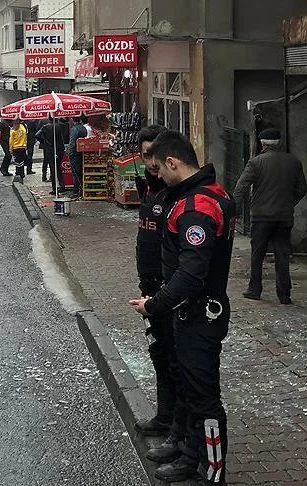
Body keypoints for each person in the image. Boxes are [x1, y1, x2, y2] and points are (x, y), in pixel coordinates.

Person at [129, 130, 234, 484]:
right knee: (188, 387)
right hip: (189, 311)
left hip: (200, 312)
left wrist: (154, 305)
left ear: (173, 162)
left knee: (204, 398)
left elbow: (191, 272)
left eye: (160, 167)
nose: (157, 175)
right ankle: (190, 454)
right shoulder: (195, 195)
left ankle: (212, 471)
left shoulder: (198, 206)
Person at [131, 125, 185, 445]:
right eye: (147, 155)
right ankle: (166, 417)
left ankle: (178, 429)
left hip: (170, 289)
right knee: (159, 354)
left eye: (157, 155)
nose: (152, 162)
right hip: (149, 287)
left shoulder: (175, 193)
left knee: (174, 358)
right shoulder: (149, 189)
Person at [232, 128, 307, 305]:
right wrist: (289, 203)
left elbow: (241, 188)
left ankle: (255, 289)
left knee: (257, 254)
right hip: (284, 216)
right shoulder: (293, 162)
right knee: (282, 254)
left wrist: (233, 209)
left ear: (262, 143)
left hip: (261, 216)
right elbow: (302, 189)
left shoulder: (256, 163)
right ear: (279, 143)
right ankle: (284, 294)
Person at [35, 117, 69, 195]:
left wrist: (44, 141)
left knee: (53, 169)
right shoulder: (60, 126)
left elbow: (37, 135)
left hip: (50, 150)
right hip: (60, 149)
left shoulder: (45, 127)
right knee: (58, 169)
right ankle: (62, 186)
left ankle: (54, 188)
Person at [67, 115, 90, 199]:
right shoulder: (83, 128)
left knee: (75, 173)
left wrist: (69, 152)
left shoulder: (74, 129)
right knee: (81, 172)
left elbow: (72, 142)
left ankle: (76, 191)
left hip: (75, 153)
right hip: (82, 152)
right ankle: (82, 189)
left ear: (72, 120)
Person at [9, 118, 28, 182]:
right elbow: (26, 135)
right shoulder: (23, 127)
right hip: (23, 146)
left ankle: (18, 173)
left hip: (16, 147)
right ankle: (22, 173)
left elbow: (11, 140)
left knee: (17, 162)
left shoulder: (13, 130)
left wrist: (10, 149)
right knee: (21, 161)